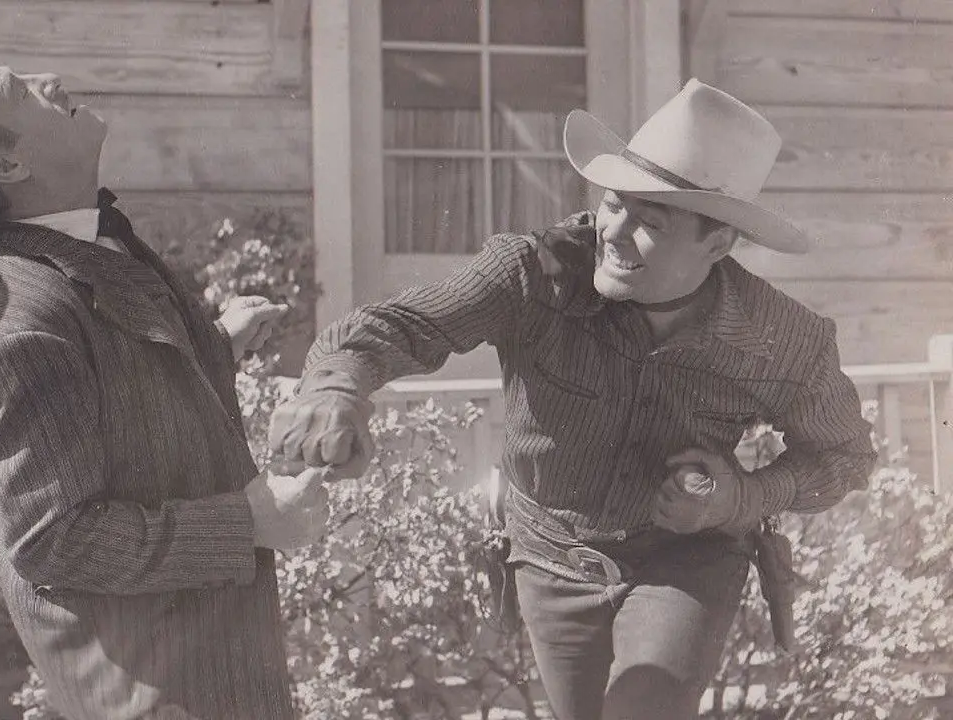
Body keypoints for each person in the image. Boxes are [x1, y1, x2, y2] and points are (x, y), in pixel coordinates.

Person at [268, 79, 877, 719]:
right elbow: (396, 327)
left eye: (650, 222)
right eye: (614, 204)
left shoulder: (783, 339)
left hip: (684, 560)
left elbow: (845, 458)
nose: (614, 231)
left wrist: (742, 497)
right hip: (549, 560)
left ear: (717, 243)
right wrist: (335, 385)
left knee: (642, 710)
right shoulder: (534, 274)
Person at [0, 62, 333, 720]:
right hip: (156, 690)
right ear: (4, 167)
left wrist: (214, 343)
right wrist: (250, 523)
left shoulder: (72, 232)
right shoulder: (14, 329)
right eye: (20, 91)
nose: (50, 78)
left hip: (207, 656)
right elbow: (53, 540)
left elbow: (111, 379)